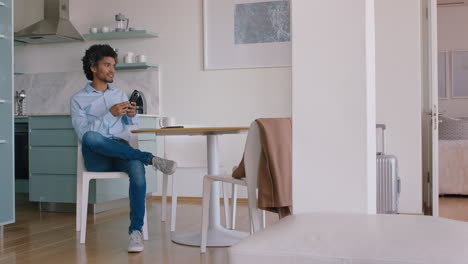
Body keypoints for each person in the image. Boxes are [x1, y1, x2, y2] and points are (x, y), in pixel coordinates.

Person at [70, 44, 177, 253]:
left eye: (114, 65)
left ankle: (135, 231)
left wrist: (131, 118)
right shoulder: (78, 100)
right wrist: (109, 113)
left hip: (121, 150)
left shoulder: (119, 94)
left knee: (136, 166)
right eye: (107, 65)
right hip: (96, 156)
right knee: (92, 136)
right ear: (93, 67)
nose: (112, 70)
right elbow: (84, 135)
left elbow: (130, 131)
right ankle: (151, 158)